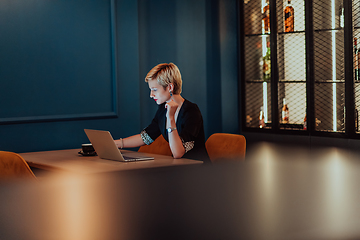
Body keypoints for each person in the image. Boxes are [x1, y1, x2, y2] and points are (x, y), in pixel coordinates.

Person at [114, 63, 210, 162]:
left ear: (170, 87)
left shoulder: (191, 111)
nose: (151, 95)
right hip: (178, 168)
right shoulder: (162, 109)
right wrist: (115, 144)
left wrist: (170, 117)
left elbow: (178, 153)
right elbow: (146, 137)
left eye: (154, 90)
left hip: (198, 171)